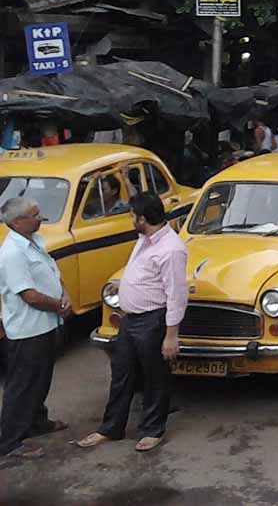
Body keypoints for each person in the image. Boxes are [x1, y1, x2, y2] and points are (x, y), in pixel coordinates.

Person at [78, 192, 188, 452]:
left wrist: (171, 335)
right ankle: (111, 428)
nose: (129, 219)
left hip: (153, 321)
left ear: (142, 219)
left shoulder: (171, 249)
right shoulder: (145, 238)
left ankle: (152, 429)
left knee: (154, 377)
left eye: (131, 215)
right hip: (131, 320)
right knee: (121, 373)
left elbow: (176, 294)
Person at [0, 197, 71, 459]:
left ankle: (36, 421)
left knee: (40, 380)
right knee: (22, 385)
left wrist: (65, 293)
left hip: (46, 325)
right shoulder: (12, 253)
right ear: (18, 222)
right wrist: (58, 305)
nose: (40, 217)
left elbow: (52, 271)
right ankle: (9, 441)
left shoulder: (34, 241)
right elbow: (29, 295)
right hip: (28, 330)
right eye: (35, 213)